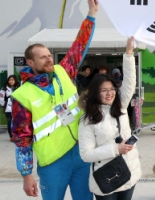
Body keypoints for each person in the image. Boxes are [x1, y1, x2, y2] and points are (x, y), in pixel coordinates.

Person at [10, 1, 98, 199]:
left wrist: (91, 15)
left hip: (81, 153)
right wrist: (26, 174)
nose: (49, 59)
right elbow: (22, 140)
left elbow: (79, 47)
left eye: (49, 55)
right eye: (42, 57)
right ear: (30, 63)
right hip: (53, 163)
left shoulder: (63, 71)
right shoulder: (22, 96)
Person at [78, 37, 141, 200]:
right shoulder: (87, 119)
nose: (109, 93)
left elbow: (129, 83)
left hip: (129, 171)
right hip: (105, 177)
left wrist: (128, 53)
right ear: (94, 93)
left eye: (112, 89)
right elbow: (86, 154)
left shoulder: (120, 106)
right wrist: (115, 150)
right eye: (103, 90)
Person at [0, 75, 20, 141]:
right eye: (9, 80)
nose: (10, 81)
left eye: (12, 80)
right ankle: (11, 136)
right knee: (9, 121)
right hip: (8, 107)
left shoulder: (18, 87)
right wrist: (3, 105)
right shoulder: (4, 88)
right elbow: (1, 97)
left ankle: (17, 135)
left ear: (15, 81)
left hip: (17, 107)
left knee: (17, 122)